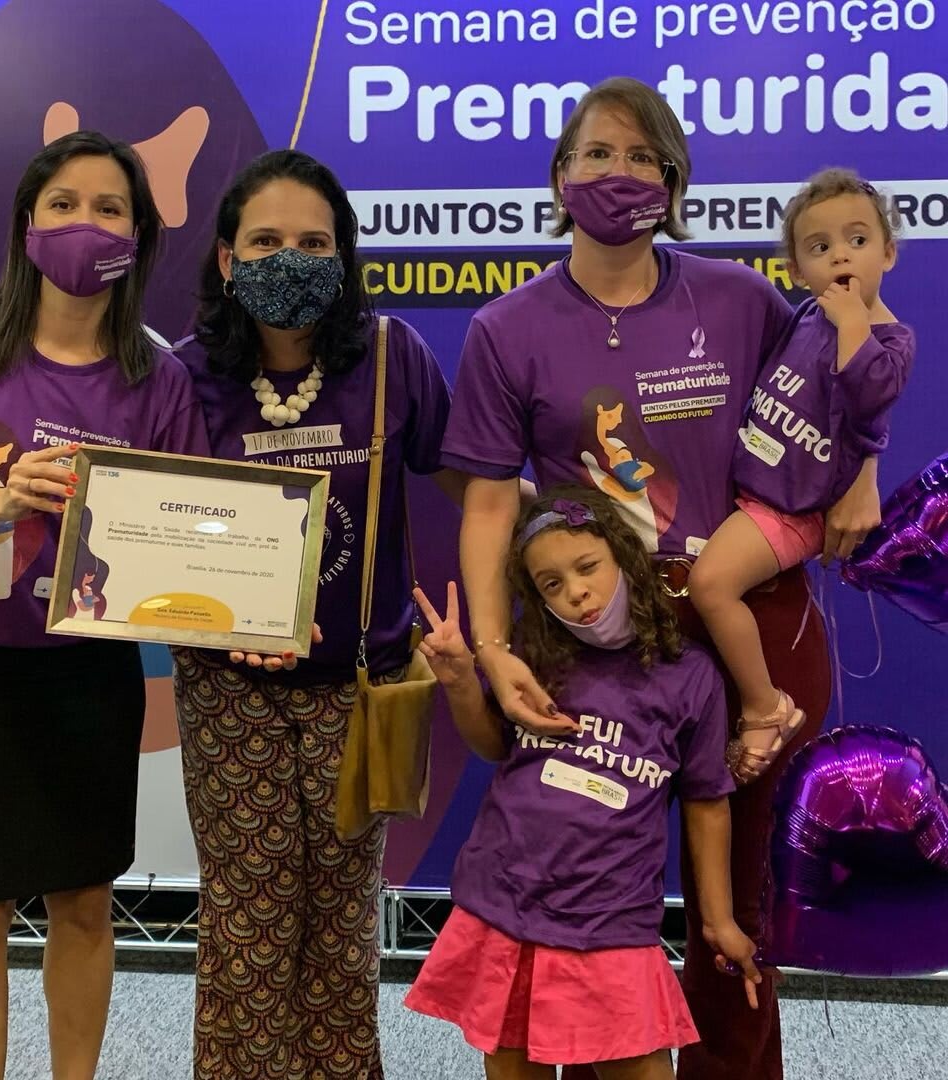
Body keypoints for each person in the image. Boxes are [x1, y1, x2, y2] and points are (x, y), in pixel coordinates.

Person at [440, 77, 880, 1080]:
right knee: (581, 899)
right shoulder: (506, 329)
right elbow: (490, 507)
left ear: (675, 184)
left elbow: (849, 375)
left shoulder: (742, 298)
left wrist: (862, 475)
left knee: (741, 913)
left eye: (645, 157)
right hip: (599, 649)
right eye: (598, 153)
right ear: (560, 176)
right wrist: (495, 649)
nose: (620, 172)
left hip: (751, 632)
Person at [0, 131, 208, 1080]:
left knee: (85, 905)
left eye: (109, 208)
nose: (83, 223)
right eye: (63, 204)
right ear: (27, 224)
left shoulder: (158, 377)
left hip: (87, 677)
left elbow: (184, 536)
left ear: (137, 237)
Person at [172, 149, 463, 1080]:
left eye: (313, 242)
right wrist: (216, 624)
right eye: (265, 242)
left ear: (342, 258)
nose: (289, 258)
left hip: (358, 690)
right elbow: (156, 539)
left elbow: (478, 484)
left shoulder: (392, 358)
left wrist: (586, 518)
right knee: (248, 925)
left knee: (341, 927)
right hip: (229, 693)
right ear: (228, 259)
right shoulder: (182, 377)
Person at [405, 487, 760, 1080]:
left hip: (611, 918)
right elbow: (494, 745)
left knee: (640, 1067)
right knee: (512, 1062)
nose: (575, 591)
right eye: (552, 583)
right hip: (505, 901)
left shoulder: (691, 676)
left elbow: (707, 803)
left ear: (625, 559)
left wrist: (719, 920)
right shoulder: (535, 653)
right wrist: (463, 681)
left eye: (588, 567)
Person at [689, 169, 913, 783]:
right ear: (795, 268)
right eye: (820, 247)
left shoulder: (890, 341)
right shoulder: (808, 313)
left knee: (711, 585)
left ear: (888, 253)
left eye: (858, 240)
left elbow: (869, 399)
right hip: (750, 490)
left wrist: (853, 324)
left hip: (790, 511)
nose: (841, 255)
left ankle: (765, 707)